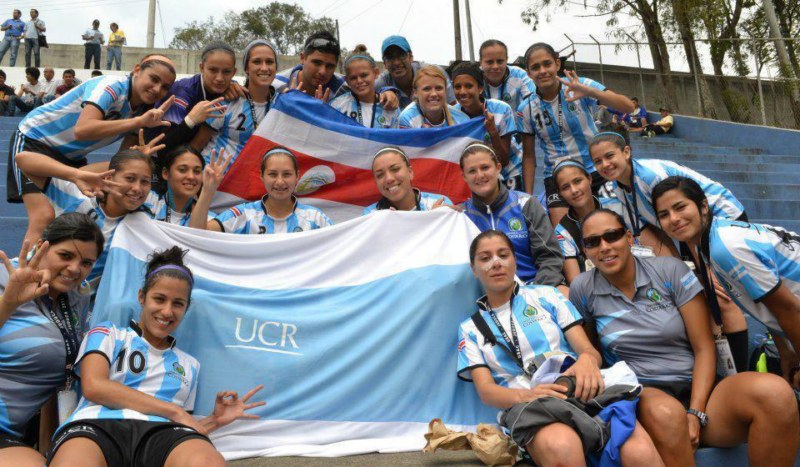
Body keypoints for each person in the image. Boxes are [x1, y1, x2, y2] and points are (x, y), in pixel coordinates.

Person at [569, 208, 799, 467]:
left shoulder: (671, 270)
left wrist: (696, 411)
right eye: (592, 241)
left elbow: (703, 347)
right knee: (667, 414)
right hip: (642, 393)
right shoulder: (582, 288)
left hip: (700, 389)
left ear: (629, 238)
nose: (604, 247)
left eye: (612, 236)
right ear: (584, 249)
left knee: (776, 393)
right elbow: (590, 351)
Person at [458, 230, 663, 467]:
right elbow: (486, 392)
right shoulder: (469, 329)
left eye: (503, 255)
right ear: (474, 269)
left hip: (580, 391)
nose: (496, 263)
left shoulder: (548, 295)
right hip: (530, 406)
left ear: (515, 260)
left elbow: (589, 352)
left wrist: (587, 360)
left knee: (641, 454)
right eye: (485, 258)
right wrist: (529, 395)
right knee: (563, 446)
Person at [46, 246, 265, 467]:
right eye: (159, 299)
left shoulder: (190, 365)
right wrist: (174, 411)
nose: (167, 311)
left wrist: (214, 421)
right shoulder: (107, 333)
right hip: (95, 427)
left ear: (186, 308)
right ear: (142, 297)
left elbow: (184, 424)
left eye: (178, 304)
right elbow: (95, 386)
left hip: (164, 433)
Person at [7, 57, 176, 244]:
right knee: (44, 216)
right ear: (137, 70)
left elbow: (120, 161)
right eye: (154, 79)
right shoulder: (112, 86)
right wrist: (138, 122)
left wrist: (137, 157)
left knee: (70, 218)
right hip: (35, 139)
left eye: (165, 87)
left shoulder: (145, 110)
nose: (157, 89)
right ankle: (25, 271)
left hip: (72, 156)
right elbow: (82, 130)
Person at [652, 176, 800, 389]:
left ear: (703, 206)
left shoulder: (725, 248)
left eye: (680, 207)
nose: (674, 219)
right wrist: (786, 352)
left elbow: (789, 309)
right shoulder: (711, 240)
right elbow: (769, 303)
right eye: (664, 215)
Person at [0, 213, 103, 467]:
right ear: (40, 247)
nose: (75, 269)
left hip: (11, 435)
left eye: (87, 262)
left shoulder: (78, 296)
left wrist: (50, 444)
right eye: (65, 256)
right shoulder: (4, 275)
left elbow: (59, 376)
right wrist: (7, 304)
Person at [517, 42, 634, 225]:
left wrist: (590, 91)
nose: (542, 71)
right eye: (535, 67)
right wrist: (528, 195)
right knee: (565, 234)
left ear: (557, 64)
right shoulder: (526, 109)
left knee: (612, 224)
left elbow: (628, 106)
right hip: (557, 176)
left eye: (547, 64)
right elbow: (529, 156)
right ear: (529, 72)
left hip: (596, 169)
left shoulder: (580, 85)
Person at [15, 149, 154, 287]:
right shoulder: (78, 196)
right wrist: (75, 175)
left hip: (70, 298)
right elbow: (23, 159)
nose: (137, 188)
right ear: (109, 178)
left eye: (145, 182)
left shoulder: (147, 221)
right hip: (22, 276)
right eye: (130, 178)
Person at [459, 143, 565, 287]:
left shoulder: (525, 204)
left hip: (533, 290)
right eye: (472, 171)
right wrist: (440, 215)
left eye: (485, 167)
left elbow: (550, 258)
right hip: (487, 299)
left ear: (498, 168)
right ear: (464, 176)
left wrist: (535, 295)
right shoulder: (460, 216)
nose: (480, 175)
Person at [191, 147, 332, 234]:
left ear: (297, 177)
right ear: (262, 176)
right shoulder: (244, 214)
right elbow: (196, 234)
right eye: (272, 174)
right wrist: (207, 191)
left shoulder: (315, 218)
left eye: (287, 174)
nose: (280, 181)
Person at [191, 40, 278, 177]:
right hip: (212, 184)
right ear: (246, 68)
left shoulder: (281, 104)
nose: (264, 68)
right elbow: (195, 148)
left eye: (269, 62)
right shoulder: (226, 101)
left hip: (249, 188)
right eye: (256, 62)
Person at [149, 42, 237, 157]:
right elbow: (161, 149)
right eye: (213, 70)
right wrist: (191, 120)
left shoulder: (232, 89)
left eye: (226, 72)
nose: (220, 78)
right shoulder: (182, 93)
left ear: (234, 72)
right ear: (201, 68)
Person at [550, 160, 624, 284]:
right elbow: (576, 282)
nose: (574, 190)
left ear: (589, 179)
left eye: (577, 181)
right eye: (565, 187)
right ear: (560, 194)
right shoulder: (562, 231)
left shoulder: (617, 206)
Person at [451, 61, 522, 189]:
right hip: (478, 178)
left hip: (508, 174)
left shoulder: (501, 109)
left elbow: (503, 160)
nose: (462, 92)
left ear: (480, 88)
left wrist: (493, 132)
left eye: (468, 86)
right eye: (457, 87)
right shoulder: (451, 115)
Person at [363, 147, 452, 214]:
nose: (389, 179)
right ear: (376, 182)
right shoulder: (371, 215)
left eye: (395, 169)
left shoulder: (438, 203)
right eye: (380, 175)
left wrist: (436, 219)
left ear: (410, 172)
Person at [329, 45, 399, 129]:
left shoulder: (390, 106)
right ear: (347, 80)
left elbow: (397, 140)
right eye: (353, 78)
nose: (359, 81)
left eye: (364, 75)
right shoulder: (336, 106)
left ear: (376, 73)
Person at [377, 35, 456, 109]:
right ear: (384, 63)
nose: (396, 62)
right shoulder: (380, 83)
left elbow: (453, 108)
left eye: (401, 55)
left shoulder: (435, 73)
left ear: (411, 57)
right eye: (390, 58)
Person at [398, 65, 470, 129]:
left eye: (439, 88)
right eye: (427, 89)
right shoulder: (407, 119)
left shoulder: (462, 120)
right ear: (415, 92)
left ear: (446, 90)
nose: (434, 94)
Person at [478, 39, 536, 115]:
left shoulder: (519, 75)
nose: (495, 66)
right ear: (480, 62)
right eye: (489, 62)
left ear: (506, 60)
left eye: (500, 61)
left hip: (515, 126)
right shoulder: (474, 78)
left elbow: (534, 102)